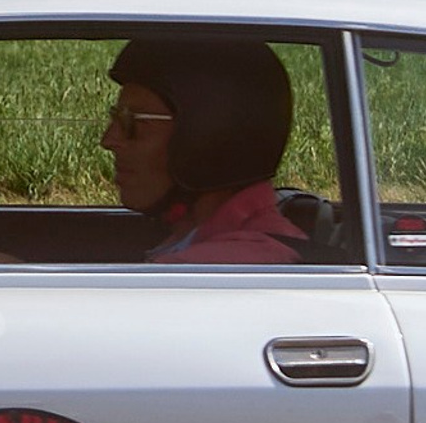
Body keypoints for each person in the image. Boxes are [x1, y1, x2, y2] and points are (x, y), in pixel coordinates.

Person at [101, 37, 303, 263]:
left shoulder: (214, 268)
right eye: (116, 118)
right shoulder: (194, 242)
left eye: (134, 122)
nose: (109, 140)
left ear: (210, 133)